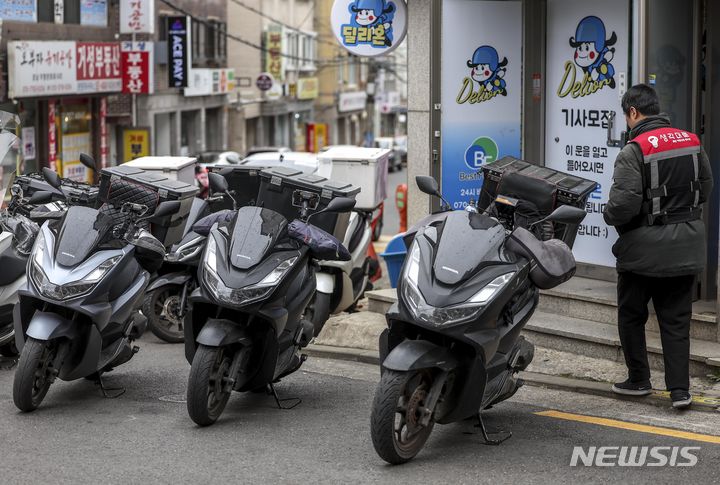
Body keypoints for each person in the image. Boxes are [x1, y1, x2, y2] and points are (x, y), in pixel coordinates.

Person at [603, 83, 713, 409]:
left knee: (632, 315)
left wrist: (608, 213)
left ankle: (638, 380)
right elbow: (705, 187)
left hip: (644, 252)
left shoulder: (633, 150)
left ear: (633, 112)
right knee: (676, 321)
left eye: (626, 116)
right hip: (688, 246)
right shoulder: (692, 142)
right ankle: (680, 391)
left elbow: (622, 205)